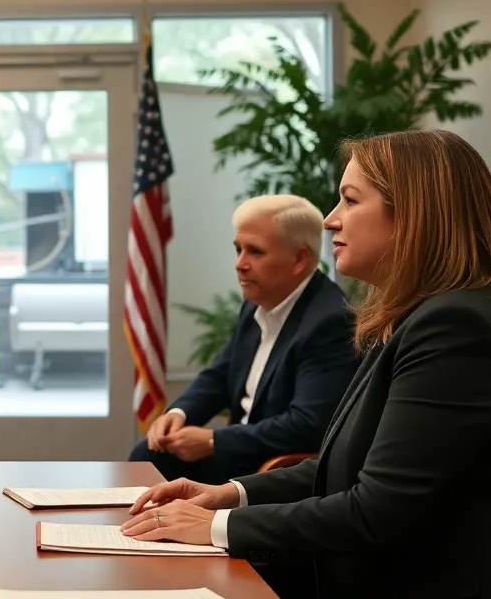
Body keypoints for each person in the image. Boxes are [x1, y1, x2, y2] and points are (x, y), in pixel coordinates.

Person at [122, 130, 491, 599]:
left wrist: (216, 531)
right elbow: (342, 470)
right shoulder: (420, 316)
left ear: (415, 215)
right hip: (369, 597)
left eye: (350, 201)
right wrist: (227, 495)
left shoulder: (454, 326)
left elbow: (377, 510)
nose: (331, 218)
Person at [129, 194, 358, 483]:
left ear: (300, 259)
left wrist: (214, 440)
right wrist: (180, 412)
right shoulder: (257, 300)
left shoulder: (329, 321)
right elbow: (220, 374)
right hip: (238, 456)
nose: (240, 264)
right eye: (238, 249)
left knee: (152, 467)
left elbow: (307, 425)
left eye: (255, 252)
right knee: (147, 456)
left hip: (273, 472)